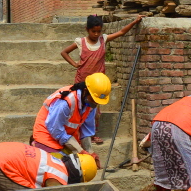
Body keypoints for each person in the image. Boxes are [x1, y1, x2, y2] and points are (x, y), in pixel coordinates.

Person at [60, 14, 142, 143]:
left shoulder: (103, 40)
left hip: (97, 84)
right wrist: (74, 64)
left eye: (99, 31)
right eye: (94, 31)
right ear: (87, 29)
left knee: (94, 112)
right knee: (79, 109)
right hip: (82, 82)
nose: (96, 34)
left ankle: (92, 135)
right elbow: (64, 52)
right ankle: (77, 135)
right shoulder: (80, 42)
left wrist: (134, 21)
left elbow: (121, 32)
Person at [31, 73, 112, 164]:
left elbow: (86, 131)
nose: (95, 104)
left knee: (82, 167)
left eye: (97, 102)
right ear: (85, 91)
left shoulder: (91, 104)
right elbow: (55, 129)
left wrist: (90, 153)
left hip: (64, 140)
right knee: (60, 168)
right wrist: (79, 150)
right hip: (47, 137)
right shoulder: (66, 102)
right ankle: (37, 148)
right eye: (93, 99)